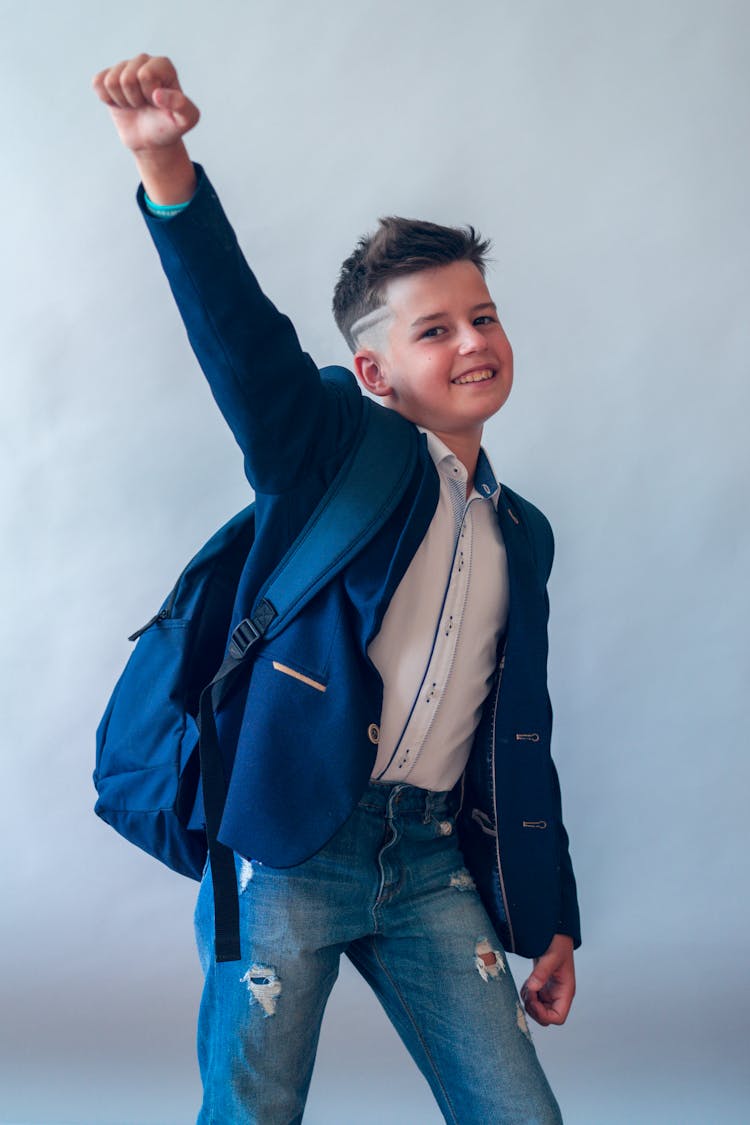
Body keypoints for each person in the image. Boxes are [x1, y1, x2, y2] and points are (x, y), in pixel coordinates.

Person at [93, 53, 580, 1125]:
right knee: (252, 1112)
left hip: (432, 862)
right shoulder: (329, 453)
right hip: (290, 849)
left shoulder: (521, 534)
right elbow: (243, 342)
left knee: (520, 1114)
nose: (474, 343)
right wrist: (167, 168)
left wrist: (552, 922)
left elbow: (521, 742)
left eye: (484, 317)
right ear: (374, 374)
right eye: (435, 329)